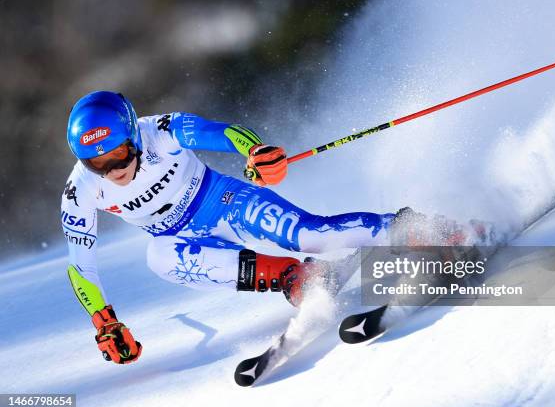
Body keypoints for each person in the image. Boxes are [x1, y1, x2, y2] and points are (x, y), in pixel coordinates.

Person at [62, 91, 492, 365]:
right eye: (96, 163)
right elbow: (80, 266)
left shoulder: (160, 132)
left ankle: (428, 231)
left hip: (222, 201)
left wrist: (255, 151)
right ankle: (296, 276)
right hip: (180, 239)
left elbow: (220, 132)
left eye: (118, 154)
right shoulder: (81, 192)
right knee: (158, 258)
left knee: (311, 235)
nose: (112, 170)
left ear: (132, 137)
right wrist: (104, 321)